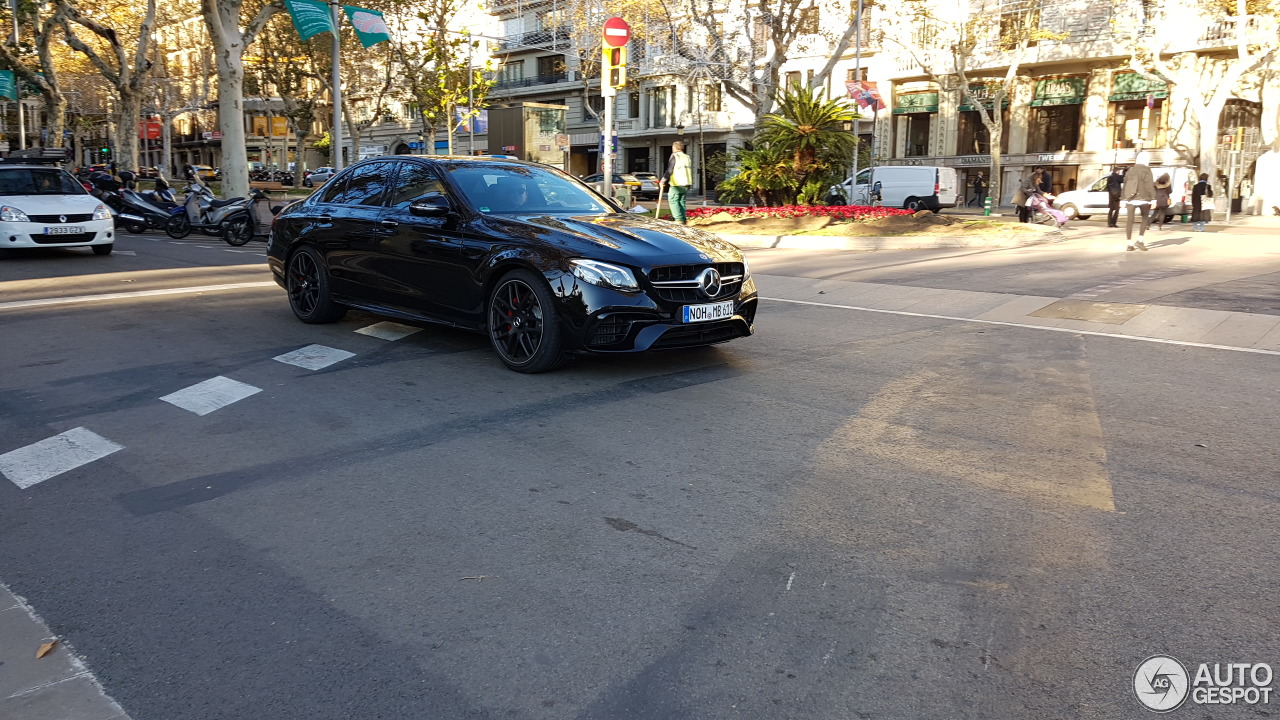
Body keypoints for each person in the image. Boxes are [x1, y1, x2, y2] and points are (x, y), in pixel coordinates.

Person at [1120, 151, 1156, 250]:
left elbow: (1125, 185)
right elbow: (1149, 185)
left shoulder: (1130, 170)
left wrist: (1122, 199)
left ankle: (1129, 243)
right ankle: (1140, 240)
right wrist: (1153, 199)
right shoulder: (1147, 170)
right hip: (1144, 198)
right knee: (1144, 219)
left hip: (1130, 199)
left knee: (1130, 221)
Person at [659, 141, 693, 224]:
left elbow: (669, 170)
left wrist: (663, 180)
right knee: (681, 201)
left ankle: (678, 220)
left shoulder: (675, 156)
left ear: (674, 148)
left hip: (677, 183)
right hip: (686, 183)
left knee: (673, 200)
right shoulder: (687, 157)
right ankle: (683, 218)